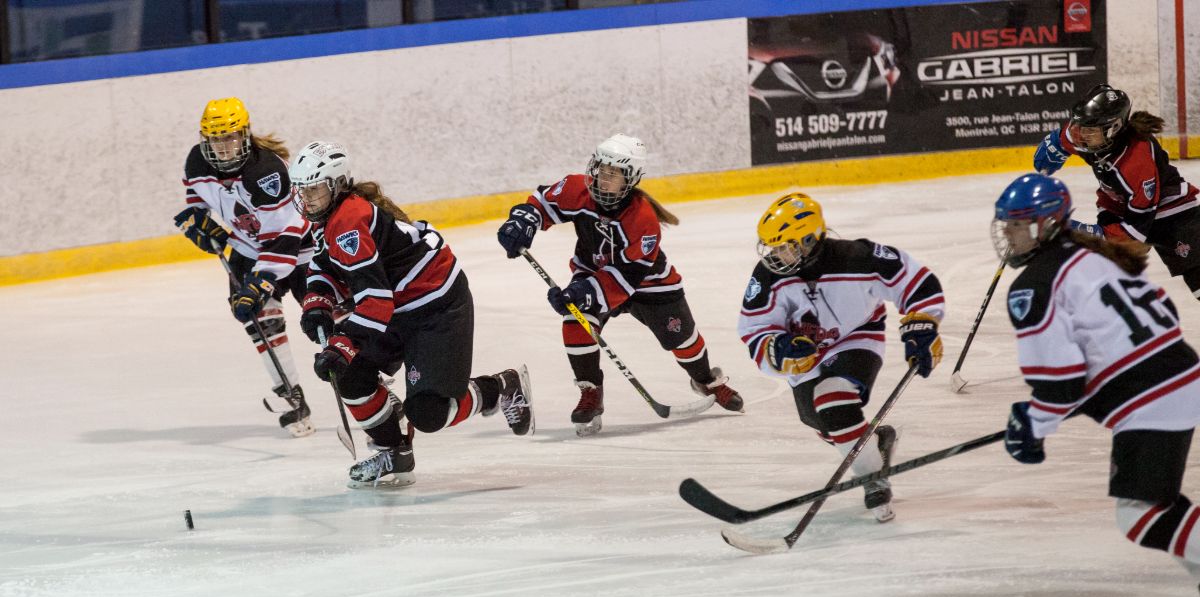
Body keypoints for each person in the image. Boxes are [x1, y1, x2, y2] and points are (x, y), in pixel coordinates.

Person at [994, 173, 1200, 589]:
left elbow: (1061, 383)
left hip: (1151, 397)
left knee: (1141, 513)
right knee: (1158, 501)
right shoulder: (1099, 255)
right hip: (1180, 373)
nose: (1009, 236)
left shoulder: (1033, 286)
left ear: (1046, 224)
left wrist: (1034, 425)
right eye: (1007, 226)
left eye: (1018, 226)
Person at [289, 141, 533, 488]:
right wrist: (317, 301)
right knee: (351, 375)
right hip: (397, 308)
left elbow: (375, 303)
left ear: (337, 185)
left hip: (436, 307)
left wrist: (341, 344)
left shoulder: (348, 221)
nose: (307, 198)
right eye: (301, 189)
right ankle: (394, 452)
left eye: (314, 188)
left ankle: (502, 387)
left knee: (429, 414)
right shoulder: (329, 216)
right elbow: (323, 264)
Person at [496, 133, 742, 436]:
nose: (603, 178)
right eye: (601, 169)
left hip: (649, 282)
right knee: (576, 320)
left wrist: (582, 292)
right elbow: (542, 203)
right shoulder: (577, 189)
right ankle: (591, 392)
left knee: (684, 341)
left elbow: (626, 277)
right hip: (594, 270)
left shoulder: (643, 220)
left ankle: (706, 380)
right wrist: (522, 222)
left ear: (631, 179)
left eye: (614, 174)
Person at [736, 192, 945, 522]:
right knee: (823, 420)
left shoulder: (858, 258)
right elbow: (755, 327)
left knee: (833, 399)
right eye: (773, 247)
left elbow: (917, 282)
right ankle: (875, 443)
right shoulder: (769, 275)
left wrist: (923, 323)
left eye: (784, 246)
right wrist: (778, 348)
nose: (776, 255)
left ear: (808, 240)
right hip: (808, 353)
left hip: (856, 337)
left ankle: (872, 479)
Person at [174, 97, 315, 437]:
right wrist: (200, 224)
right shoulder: (196, 161)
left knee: (326, 319)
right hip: (247, 250)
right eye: (216, 139)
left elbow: (286, 234)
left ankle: (371, 383)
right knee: (259, 322)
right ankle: (293, 397)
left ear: (245, 135)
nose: (224, 146)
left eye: (231, 137)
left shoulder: (266, 171)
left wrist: (261, 281)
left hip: (300, 251)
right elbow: (198, 199)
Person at [1033, 83, 1200, 302]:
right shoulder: (1088, 133)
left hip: (1170, 211)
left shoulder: (1136, 163)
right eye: (1080, 127)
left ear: (1113, 128)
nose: (1081, 135)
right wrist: (1053, 149)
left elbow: (1134, 233)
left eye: (1089, 130)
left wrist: (1083, 232)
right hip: (1118, 204)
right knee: (1102, 277)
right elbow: (1061, 141)